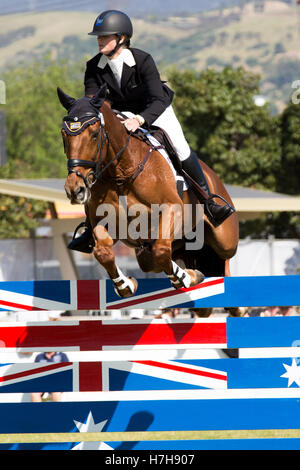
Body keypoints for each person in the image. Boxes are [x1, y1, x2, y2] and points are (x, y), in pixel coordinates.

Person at [68, 10, 235, 253]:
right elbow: (94, 102)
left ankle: (209, 201)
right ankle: (89, 225)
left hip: (155, 110)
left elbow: (157, 98)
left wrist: (140, 119)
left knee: (179, 146)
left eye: (105, 37)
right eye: (99, 37)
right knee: (96, 155)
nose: (100, 41)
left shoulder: (143, 60)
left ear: (122, 38)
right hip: (118, 116)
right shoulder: (93, 66)